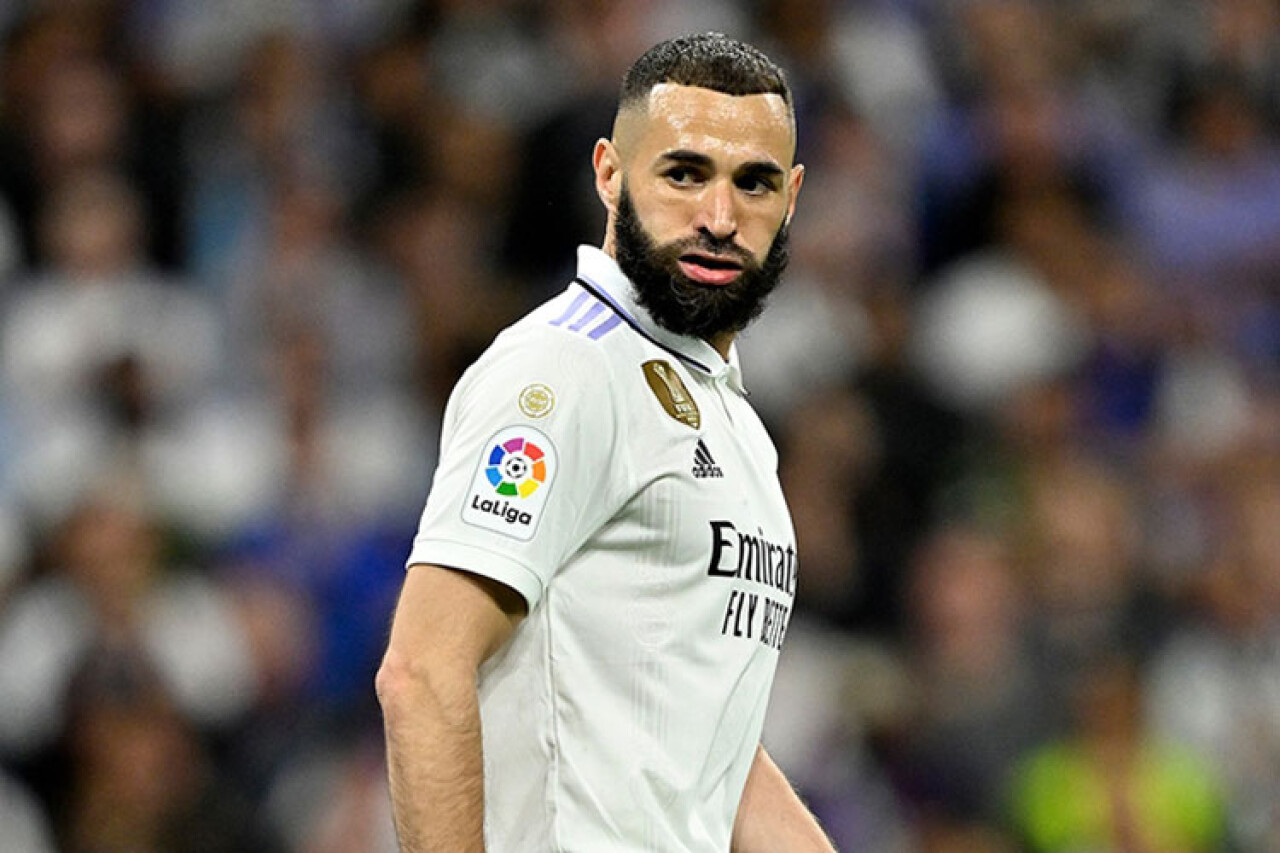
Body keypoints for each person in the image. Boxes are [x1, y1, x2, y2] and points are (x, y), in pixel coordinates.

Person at [376, 32, 834, 852]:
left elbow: (712, 755)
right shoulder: (566, 369)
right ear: (609, 173)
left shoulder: (732, 418)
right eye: (685, 174)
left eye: (754, 182)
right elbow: (422, 672)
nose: (719, 217)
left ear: (792, 195)